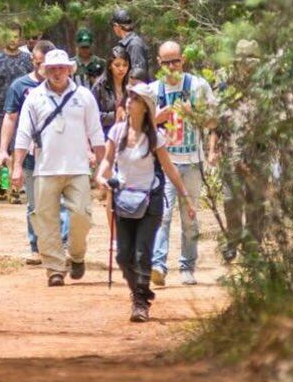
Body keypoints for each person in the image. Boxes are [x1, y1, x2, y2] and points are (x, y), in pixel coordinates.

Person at [96, 84, 196, 322]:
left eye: (136, 99)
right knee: (123, 256)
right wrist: (101, 177)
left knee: (142, 253)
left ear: (145, 107)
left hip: (150, 201)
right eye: (129, 97)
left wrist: (185, 198)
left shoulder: (155, 137)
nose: (129, 101)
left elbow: (169, 169)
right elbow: (107, 160)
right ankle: (141, 291)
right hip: (123, 200)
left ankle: (140, 303)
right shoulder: (117, 132)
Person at [13, 49, 105, 286]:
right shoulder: (34, 97)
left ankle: (76, 255)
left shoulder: (84, 96)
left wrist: (103, 167)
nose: (56, 73)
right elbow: (23, 133)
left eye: (61, 68)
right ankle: (54, 268)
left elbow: (96, 133)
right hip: (45, 169)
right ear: (44, 71)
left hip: (78, 168)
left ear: (69, 70)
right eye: (52, 69)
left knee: (81, 215)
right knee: (46, 220)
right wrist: (17, 166)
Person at [148, 40, 218, 285]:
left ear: (183, 60)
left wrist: (193, 114)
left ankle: (187, 266)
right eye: (166, 62)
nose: (171, 67)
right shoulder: (152, 90)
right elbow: (138, 126)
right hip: (165, 164)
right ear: (159, 63)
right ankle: (158, 265)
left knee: (189, 218)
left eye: (175, 61)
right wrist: (156, 118)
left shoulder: (198, 86)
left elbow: (213, 122)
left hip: (192, 162)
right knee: (163, 215)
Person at [0, 41, 70, 264]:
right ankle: (37, 247)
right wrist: (3, 150)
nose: (43, 68)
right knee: (34, 203)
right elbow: (10, 118)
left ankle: (63, 245)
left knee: (62, 201)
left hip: (59, 153)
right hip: (30, 154)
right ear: (33, 61)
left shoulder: (66, 87)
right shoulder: (20, 86)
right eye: (39, 63)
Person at [219, 39, 267, 262]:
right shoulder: (226, 85)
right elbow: (217, 118)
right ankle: (233, 240)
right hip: (232, 151)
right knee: (231, 200)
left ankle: (252, 245)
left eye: (251, 61)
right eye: (243, 61)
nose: (247, 66)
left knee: (255, 200)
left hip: (259, 152)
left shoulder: (266, 88)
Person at [0, 26, 32, 201]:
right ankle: (4, 184)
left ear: (21, 38)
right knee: (2, 150)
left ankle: (15, 189)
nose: (13, 40)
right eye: (9, 36)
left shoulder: (27, 59)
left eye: (16, 36)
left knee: (19, 149)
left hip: (22, 111)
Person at [90, 46, 130, 136]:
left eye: (125, 65)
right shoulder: (99, 86)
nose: (121, 69)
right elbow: (91, 115)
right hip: (105, 134)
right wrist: (115, 116)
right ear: (109, 66)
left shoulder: (131, 84)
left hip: (127, 135)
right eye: (117, 65)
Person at [110, 9, 149, 79]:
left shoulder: (134, 44)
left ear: (116, 26)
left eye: (113, 26)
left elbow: (139, 74)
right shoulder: (127, 44)